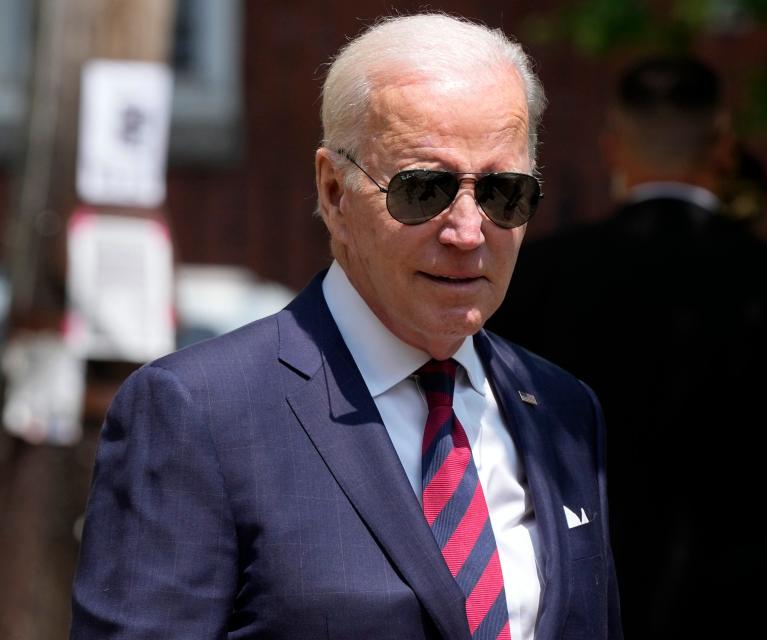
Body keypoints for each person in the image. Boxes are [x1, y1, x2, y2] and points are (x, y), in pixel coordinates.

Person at [69, 14, 622, 640]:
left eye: (503, 192)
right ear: (335, 192)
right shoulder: (199, 414)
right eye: (424, 190)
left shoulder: (562, 409)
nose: (468, 232)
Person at [490, 56, 767, 637]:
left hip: (589, 614)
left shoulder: (539, 279)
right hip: (752, 616)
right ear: (723, 148)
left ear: (612, 148)